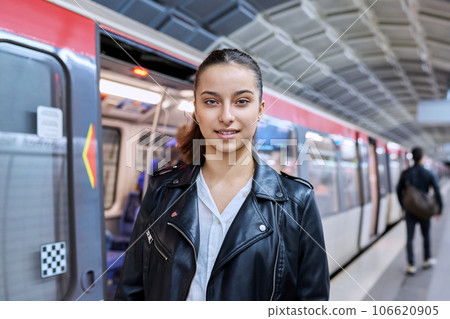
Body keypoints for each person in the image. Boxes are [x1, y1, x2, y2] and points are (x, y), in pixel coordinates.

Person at [115, 48, 330, 300]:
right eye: (211, 101)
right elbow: (131, 291)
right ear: (196, 109)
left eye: (241, 101)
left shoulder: (296, 202)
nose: (226, 116)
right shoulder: (162, 190)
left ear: (260, 110)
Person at [396, 147, 443, 275]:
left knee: (410, 238)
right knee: (426, 235)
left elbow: (398, 190)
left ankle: (411, 265)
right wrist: (439, 210)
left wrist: (403, 205)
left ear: (412, 157)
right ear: (422, 157)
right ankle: (426, 260)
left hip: (410, 211)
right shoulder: (429, 173)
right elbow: (437, 192)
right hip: (424, 211)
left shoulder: (406, 173)